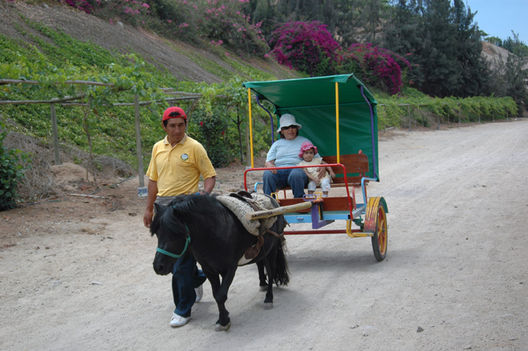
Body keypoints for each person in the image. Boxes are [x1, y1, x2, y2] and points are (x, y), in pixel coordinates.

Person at [143, 106, 216, 328]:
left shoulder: (195, 147)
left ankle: (183, 308)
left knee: (179, 258)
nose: (177, 130)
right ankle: (197, 278)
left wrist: (202, 196)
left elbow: (210, 176)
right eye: (172, 126)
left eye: (181, 125)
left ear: (185, 125)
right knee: (174, 253)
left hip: (186, 208)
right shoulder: (158, 148)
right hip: (163, 208)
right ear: (165, 126)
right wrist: (149, 209)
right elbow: (153, 181)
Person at [263, 113, 324, 198]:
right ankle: (269, 202)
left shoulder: (305, 141)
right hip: (279, 172)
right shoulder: (276, 144)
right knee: (267, 174)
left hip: (298, 171)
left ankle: (299, 201)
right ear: (282, 131)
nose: (290, 130)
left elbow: (318, 159)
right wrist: (270, 165)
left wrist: (323, 166)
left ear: (296, 129)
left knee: (296, 173)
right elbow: (268, 162)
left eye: (293, 127)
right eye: (287, 128)